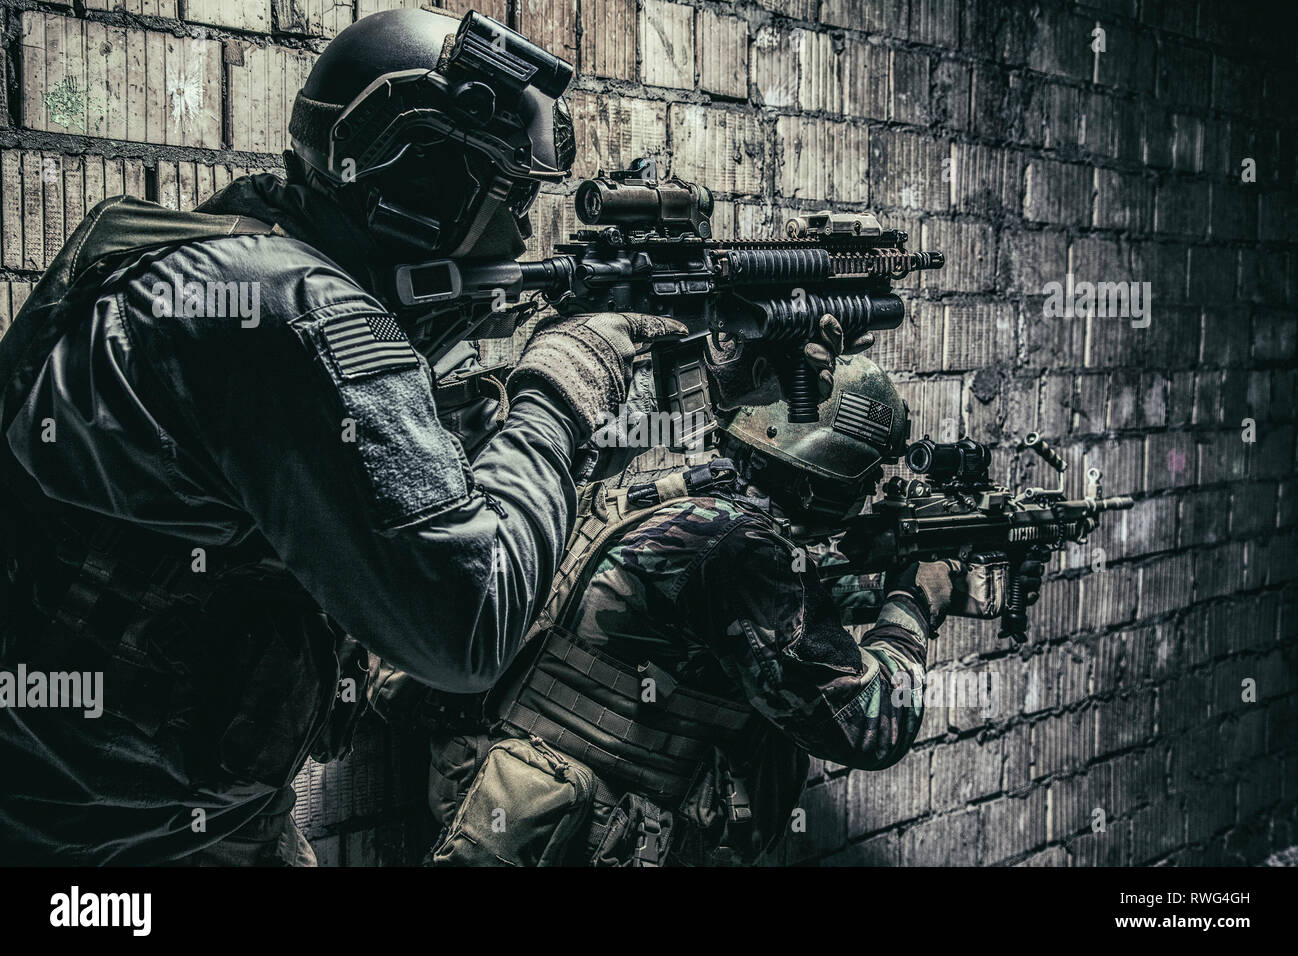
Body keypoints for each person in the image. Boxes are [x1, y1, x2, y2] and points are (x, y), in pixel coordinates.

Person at [0, 7, 679, 865]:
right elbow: (466, 626)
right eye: (504, 197)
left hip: (138, 807)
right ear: (418, 180)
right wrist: (561, 385)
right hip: (113, 844)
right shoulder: (297, 310)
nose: (515, 238)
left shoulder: (217, 261)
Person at [424, 354, 1043, 866]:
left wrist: (877, 576)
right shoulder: (745, 550)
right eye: (865, 484)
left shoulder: (688, 498)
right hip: (579, 836)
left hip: (509, 801)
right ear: (823, 483)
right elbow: (870, 725)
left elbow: (742, 619)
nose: (869, 498)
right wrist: (914, 603)